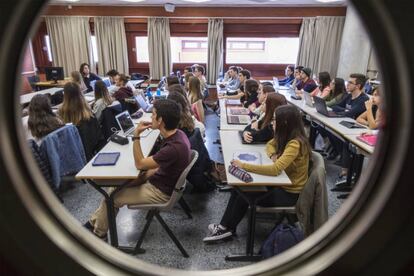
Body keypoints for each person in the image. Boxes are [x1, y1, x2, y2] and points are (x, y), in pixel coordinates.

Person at [84, 99, 191, 240]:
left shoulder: (173, 148)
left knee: (112, 198)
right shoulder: (178, 135)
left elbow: (140, 164)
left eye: (153, 115)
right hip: (160, 181)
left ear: (161, 121)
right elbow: (159, 166)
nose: (150, 117)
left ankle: (98, 235)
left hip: (161, 192)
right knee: (112, 188)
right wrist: (141, 178)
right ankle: (95, 222)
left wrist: (136, 135)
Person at [204, 105, 311, 242]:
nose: (272, 123)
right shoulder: (287, 135)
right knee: (239, 189)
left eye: (275, 120)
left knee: (244, 194)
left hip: (289, 194)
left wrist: (244, 165)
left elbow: (275, 169)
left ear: (284, 123)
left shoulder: (295, 143)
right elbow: (270, 145)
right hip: (281, 184)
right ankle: (226, 228)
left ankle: (226, 229)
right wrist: (273, 155)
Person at [58, 82, 104, 160]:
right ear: (80, 93)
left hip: (74, 155)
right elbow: (98, 137)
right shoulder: (88, 112)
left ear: (65, 95)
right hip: (90, 153)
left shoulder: (61, 111)